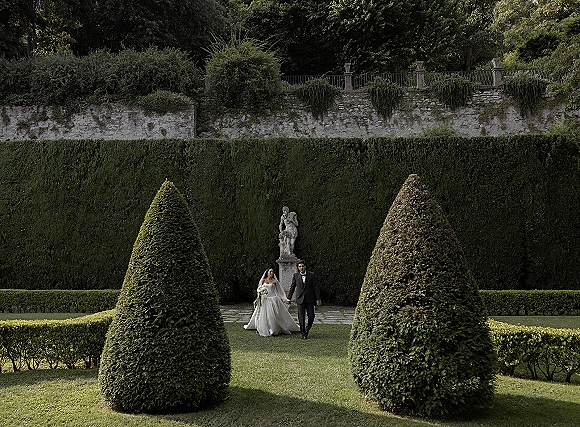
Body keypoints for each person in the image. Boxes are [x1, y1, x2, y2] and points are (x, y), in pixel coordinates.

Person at [244, 268, 300, 337]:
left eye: (272, 272)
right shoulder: (263, 280)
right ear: (267, 273)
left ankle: (274, 328)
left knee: (275, 314)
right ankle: (265, 327)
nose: (271, 273)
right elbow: (259, 289)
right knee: (264, 314)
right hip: (265, 299)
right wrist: (260, 294)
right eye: (270, 271)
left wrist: (285, 299)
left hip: (273, 299)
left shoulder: (275, 281)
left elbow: (280, 292)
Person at [286, 261, 321, 339]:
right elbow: (292, 287)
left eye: (302, 266)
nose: (301, 268)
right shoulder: (296, 276)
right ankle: (303, 334)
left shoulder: (311, 275)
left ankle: (307, 329)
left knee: (311, 316)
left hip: (310, 299)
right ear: (298, 268)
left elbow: (316, 287)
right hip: (300, 299)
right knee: (301, 317)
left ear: (305, 267)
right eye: (299, 267)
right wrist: (289, 298)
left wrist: (318, 299)